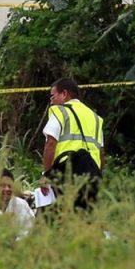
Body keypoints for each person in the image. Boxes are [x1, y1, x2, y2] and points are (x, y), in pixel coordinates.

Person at [41, 78, 105, 211]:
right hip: (92, 174)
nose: (51, 102)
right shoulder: (95, 118)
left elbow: (50, 144)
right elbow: (101, 153)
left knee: (63, 215)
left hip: (67, 172)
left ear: (64, 94)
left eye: (53, 97)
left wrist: (46, 175)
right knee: (85, 219)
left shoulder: (60, 111)